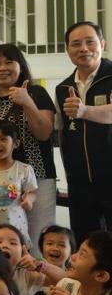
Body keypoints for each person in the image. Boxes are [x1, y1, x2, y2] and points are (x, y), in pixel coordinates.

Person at [0, 44, 56, 254]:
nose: (2, 68)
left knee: (35, 242)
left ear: (21, 66)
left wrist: (27, 102)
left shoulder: (36, 93)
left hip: (36, 180)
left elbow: (44, 133)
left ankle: (34, 287)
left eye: (9, 62)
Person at [55, 21, 112, 240]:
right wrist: (69, 175)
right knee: (86, 242)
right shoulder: (62, 88)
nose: (83, 48)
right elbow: (63, 134)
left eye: (90, 42)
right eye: (76, 44)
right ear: (67, 49)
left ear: (102, 44)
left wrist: (85, 110)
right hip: (80, 184)